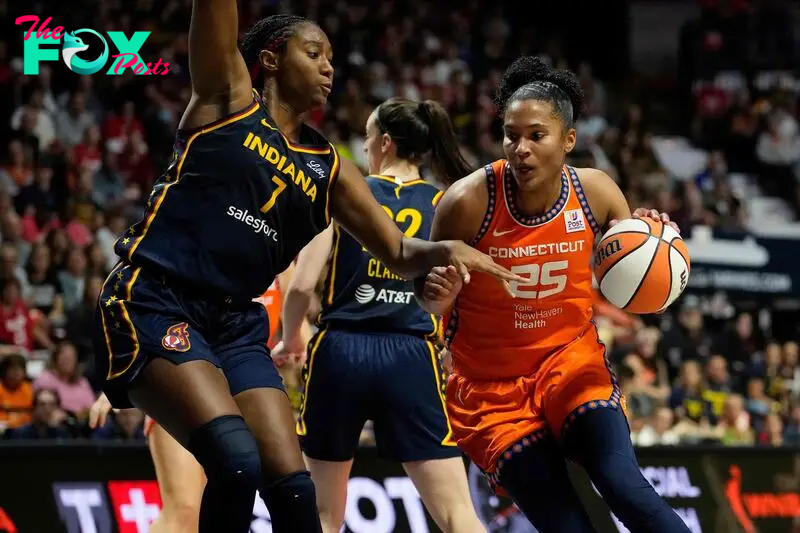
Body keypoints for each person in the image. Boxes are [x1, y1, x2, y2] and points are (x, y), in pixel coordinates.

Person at [91, 5, 518, 533]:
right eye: (313, 54)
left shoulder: (329, 164)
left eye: (331, 59)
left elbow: (400, 252)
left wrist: (449, 248)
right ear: (269, 60)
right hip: (155, 298)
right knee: (237, 462)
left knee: (296, 492)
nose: (328, 68)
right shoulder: (226, 97)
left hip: (234, 327)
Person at [415, 56, 692, 533]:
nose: (519, 148)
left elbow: (626, 278)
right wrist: (435, 297)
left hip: (570, 363)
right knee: (567, 526)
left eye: (536, 136)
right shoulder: (465, 203)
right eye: (510, 135)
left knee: (622, 483)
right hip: (490, 391)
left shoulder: (597, 192)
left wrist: (651, 237)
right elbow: (427, 300)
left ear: (569, 140)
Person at [275, 97, 483, 533]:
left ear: (384, 143)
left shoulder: (346, 191)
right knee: (455, 513)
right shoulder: (446, 203)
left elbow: (299, 285)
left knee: (323, 517)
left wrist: (291, 335)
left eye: (368, 139)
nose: (366, 148)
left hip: (340, 350)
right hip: (411, 353)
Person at [88, 263, 313, 533]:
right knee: (184, 510)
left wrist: (304, 360)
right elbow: (145, 297)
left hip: (242, 388)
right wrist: (116, 382)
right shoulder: (201, 248)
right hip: (184, 378)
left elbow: (301, 337)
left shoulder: (280, 264)